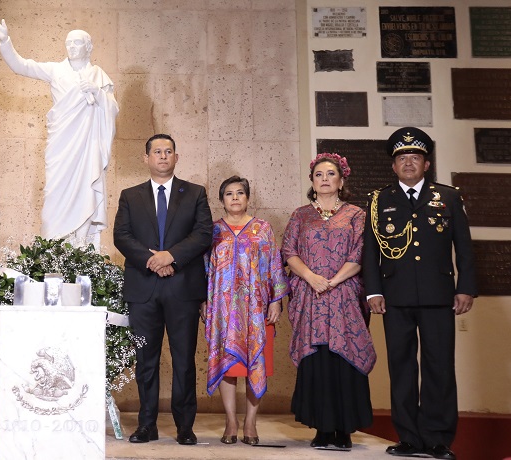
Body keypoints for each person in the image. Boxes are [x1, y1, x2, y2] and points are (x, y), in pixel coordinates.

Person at [363, 127, 476, 460]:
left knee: (439, 367)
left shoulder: (449, 197)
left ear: (426, 164)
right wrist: (373, 292)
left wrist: (466, 287)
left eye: (415, 157)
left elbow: (465, 248)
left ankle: (438, 438)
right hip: (394, 296)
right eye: (402, 157)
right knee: (401, 368)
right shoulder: (378, 200)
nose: (408, 162)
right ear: (393, 165)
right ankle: (409, 437)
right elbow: (370, 252)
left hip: (438, 295)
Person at [113, 134, 212, 446]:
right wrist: (152, 260)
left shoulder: (195, 193)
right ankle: (147, 425)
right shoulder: (130, 195)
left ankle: (185, 426)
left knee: (184, 360)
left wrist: (172, 257)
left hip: (182, 288)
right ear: (146, 158)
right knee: (146, 360)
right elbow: (122, 236)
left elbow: (203, 233)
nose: (163, 156)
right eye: (157, 151)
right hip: (143, 289)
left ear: (176, 157)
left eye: (168, 151)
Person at [0, 15, 119, 245]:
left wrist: (97, 93)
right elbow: (22, 65)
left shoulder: (99, 76)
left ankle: (81, 246)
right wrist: (5, 41)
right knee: (53, 196)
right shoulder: (56, 70)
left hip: (86, 147)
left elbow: (112, 109)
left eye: (77, 42)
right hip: (60, 145)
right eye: (68, 42)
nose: (71, 47)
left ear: (89, 47)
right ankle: (52, 247)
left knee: (86, 189)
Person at [283, 152, 375, 451]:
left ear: (341, 179)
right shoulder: (300, 215)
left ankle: (344, 429)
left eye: (330, 174)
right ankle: (322, 429)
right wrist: (312, 278)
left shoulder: (356, 214)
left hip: (344, 295)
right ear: (312, 180)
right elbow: (289, 251)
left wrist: (334, 281)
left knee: (344, 357)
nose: (324, 179)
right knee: (317, 358)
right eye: (319, 174)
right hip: (311, 296)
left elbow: (361, 253)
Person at [202, 176, 288, 445]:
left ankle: (251, 421)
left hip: (257, 311)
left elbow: (275, 264)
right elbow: (203, 270)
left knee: (255, 363)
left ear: (248, 198)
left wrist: (276, 301)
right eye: (229, 194)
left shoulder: (262, 228)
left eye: (240, 193)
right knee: (227, 366)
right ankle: (231, 420)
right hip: (222, 311)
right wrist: (202, 302)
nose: (235, 198)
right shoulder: (212, 231)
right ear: (222, 200)